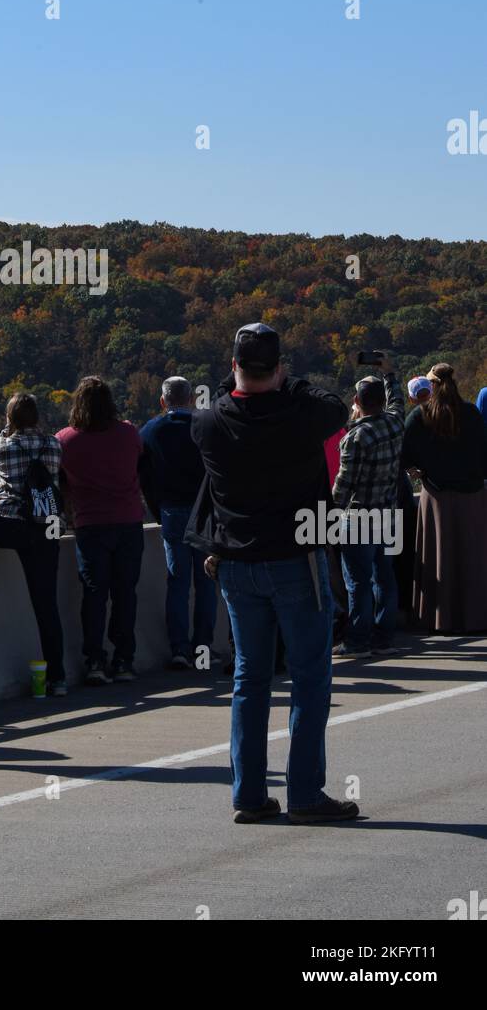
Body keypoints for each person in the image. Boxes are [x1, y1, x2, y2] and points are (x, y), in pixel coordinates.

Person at [188, 323, 356, 825]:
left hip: (237, 565)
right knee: (309, 679)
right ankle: (305, 793)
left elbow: (223, 399)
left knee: (249, 680)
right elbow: (333, 404)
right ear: (278, 369)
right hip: (297, 562)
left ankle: (250, 793)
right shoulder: (304, 415)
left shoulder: (208, 425)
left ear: (234, 367)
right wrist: (294, 382)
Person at [0, 394, 66, 696]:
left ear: (10, 419)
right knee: (46, 606)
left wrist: (7, 431)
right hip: (46, 527)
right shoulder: (54, 445)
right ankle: (57, 679)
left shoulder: (4, 446)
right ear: (37, 417)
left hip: (8, 523)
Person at [57, 377, 145, 685]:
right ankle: (124, 660)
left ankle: (94, 660)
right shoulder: (128, 433)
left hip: (90, 525)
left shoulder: (65, 440)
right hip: (129, 521)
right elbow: (140, 463)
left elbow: (60, 481)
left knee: (94, 595)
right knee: (125, 593)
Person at [402, 363, 487, 633]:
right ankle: (475, 617)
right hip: (472, 496)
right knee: (471, 559)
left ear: (432, 385)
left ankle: (438, 619)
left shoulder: (420, 415)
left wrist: (419, 469)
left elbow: (404, 455)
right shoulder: (471, 414)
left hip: (436, 497)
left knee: (439, 558)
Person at [331, 356, 404, 657]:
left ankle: (358, 640)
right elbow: (398, 400)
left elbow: (344, 484)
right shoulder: (395, 423)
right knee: (384, 576)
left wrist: (328, 515)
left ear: (357, 401)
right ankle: (384, 636)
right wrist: (388, 372)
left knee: (357, 581)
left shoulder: (355, 437)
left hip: (359, 516)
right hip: (387, 512)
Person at [139, 376, 214, 670]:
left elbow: (144, 477)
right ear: (192, 399)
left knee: (178, 582)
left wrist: (158, 510)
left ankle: (179, 649)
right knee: (206, 582)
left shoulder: (150, 432)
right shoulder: (204, 427)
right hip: (204, 511)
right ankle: (203, 648)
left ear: (163, 401)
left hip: (171, 511)